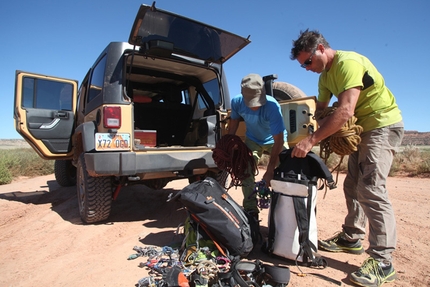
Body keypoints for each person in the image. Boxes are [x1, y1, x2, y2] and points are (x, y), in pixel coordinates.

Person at [290, 29, 404, 287]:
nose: (306, 68)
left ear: (320, 48)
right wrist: (314, 123)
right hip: (364, 129)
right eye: (302, 65)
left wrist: (312, 140)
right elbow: (321, 109)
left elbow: (345, 110)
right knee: (352, 185)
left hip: (381, 125)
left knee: (371, 189)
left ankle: (383, 261)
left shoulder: (347, 63)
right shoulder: (324, 76)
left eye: (307, 61)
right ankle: (352, 237)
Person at [228, 73, 287, 219]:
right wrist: (229, 142)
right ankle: (250, 210)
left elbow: (278, 139)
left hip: (275, 140)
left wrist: (270, 170)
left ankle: (283, 208)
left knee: (285, 171)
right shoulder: (236, 102)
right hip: (253, 140)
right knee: (245, 171)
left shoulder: (272, 107)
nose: (255, 106)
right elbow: (234, 122)